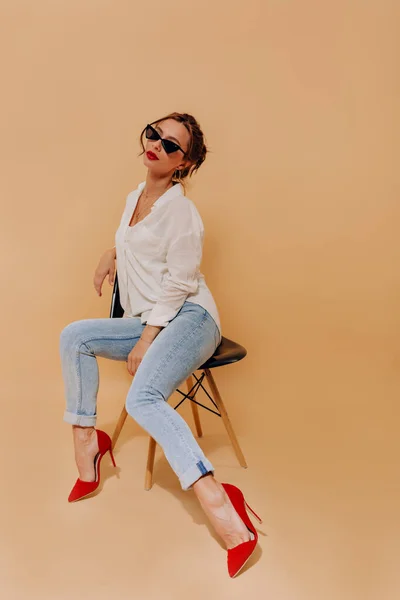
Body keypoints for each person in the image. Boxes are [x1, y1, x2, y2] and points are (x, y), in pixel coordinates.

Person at [59, 112, 261, 577]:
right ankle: (88, 445)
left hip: (190, 318)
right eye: (155, 134)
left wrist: (148, 338)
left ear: (183, 164)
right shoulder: (136, 196)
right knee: (74, 336)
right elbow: (140, 247)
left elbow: (181, 280)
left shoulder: (182, 210)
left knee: (144, 397)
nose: (158, 146)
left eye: (173, 146)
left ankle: (221, 505)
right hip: (154, 317)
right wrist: (110, 253)